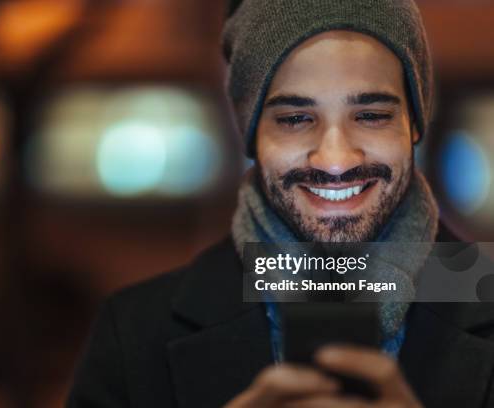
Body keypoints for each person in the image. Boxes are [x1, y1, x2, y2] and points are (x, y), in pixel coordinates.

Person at [67, 1, 494, 407]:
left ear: (413, 124)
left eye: (371, 115)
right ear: (251, 135)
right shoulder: (134, 333)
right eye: (294, 119)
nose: (335, 160)